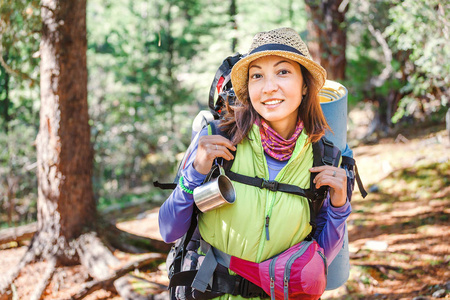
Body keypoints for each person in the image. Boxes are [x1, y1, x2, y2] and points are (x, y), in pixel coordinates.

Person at [159, 27, 352, 299]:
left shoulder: (323, 158)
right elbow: (169, 230)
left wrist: (339, 207)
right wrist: (193, 174)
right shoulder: (218, 139)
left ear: (305, 84)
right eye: (257, 75)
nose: (268, 86)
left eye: (283, 72)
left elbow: (319, 258)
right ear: (248, 88)